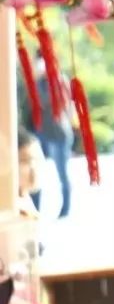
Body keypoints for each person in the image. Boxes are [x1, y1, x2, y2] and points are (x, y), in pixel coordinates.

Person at [17, 72, 73, 218]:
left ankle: (65, 208)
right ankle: (35, 208)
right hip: (40, 131)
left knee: (62, 173)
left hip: (58, 132)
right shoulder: (35, 81)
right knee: (32, 169)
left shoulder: (59, 80)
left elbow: (61, 102)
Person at [16, 128, 44, 215]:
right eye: (25, 161)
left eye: (37, 159)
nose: (33, 167)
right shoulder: (14, 208)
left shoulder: (24, 196)